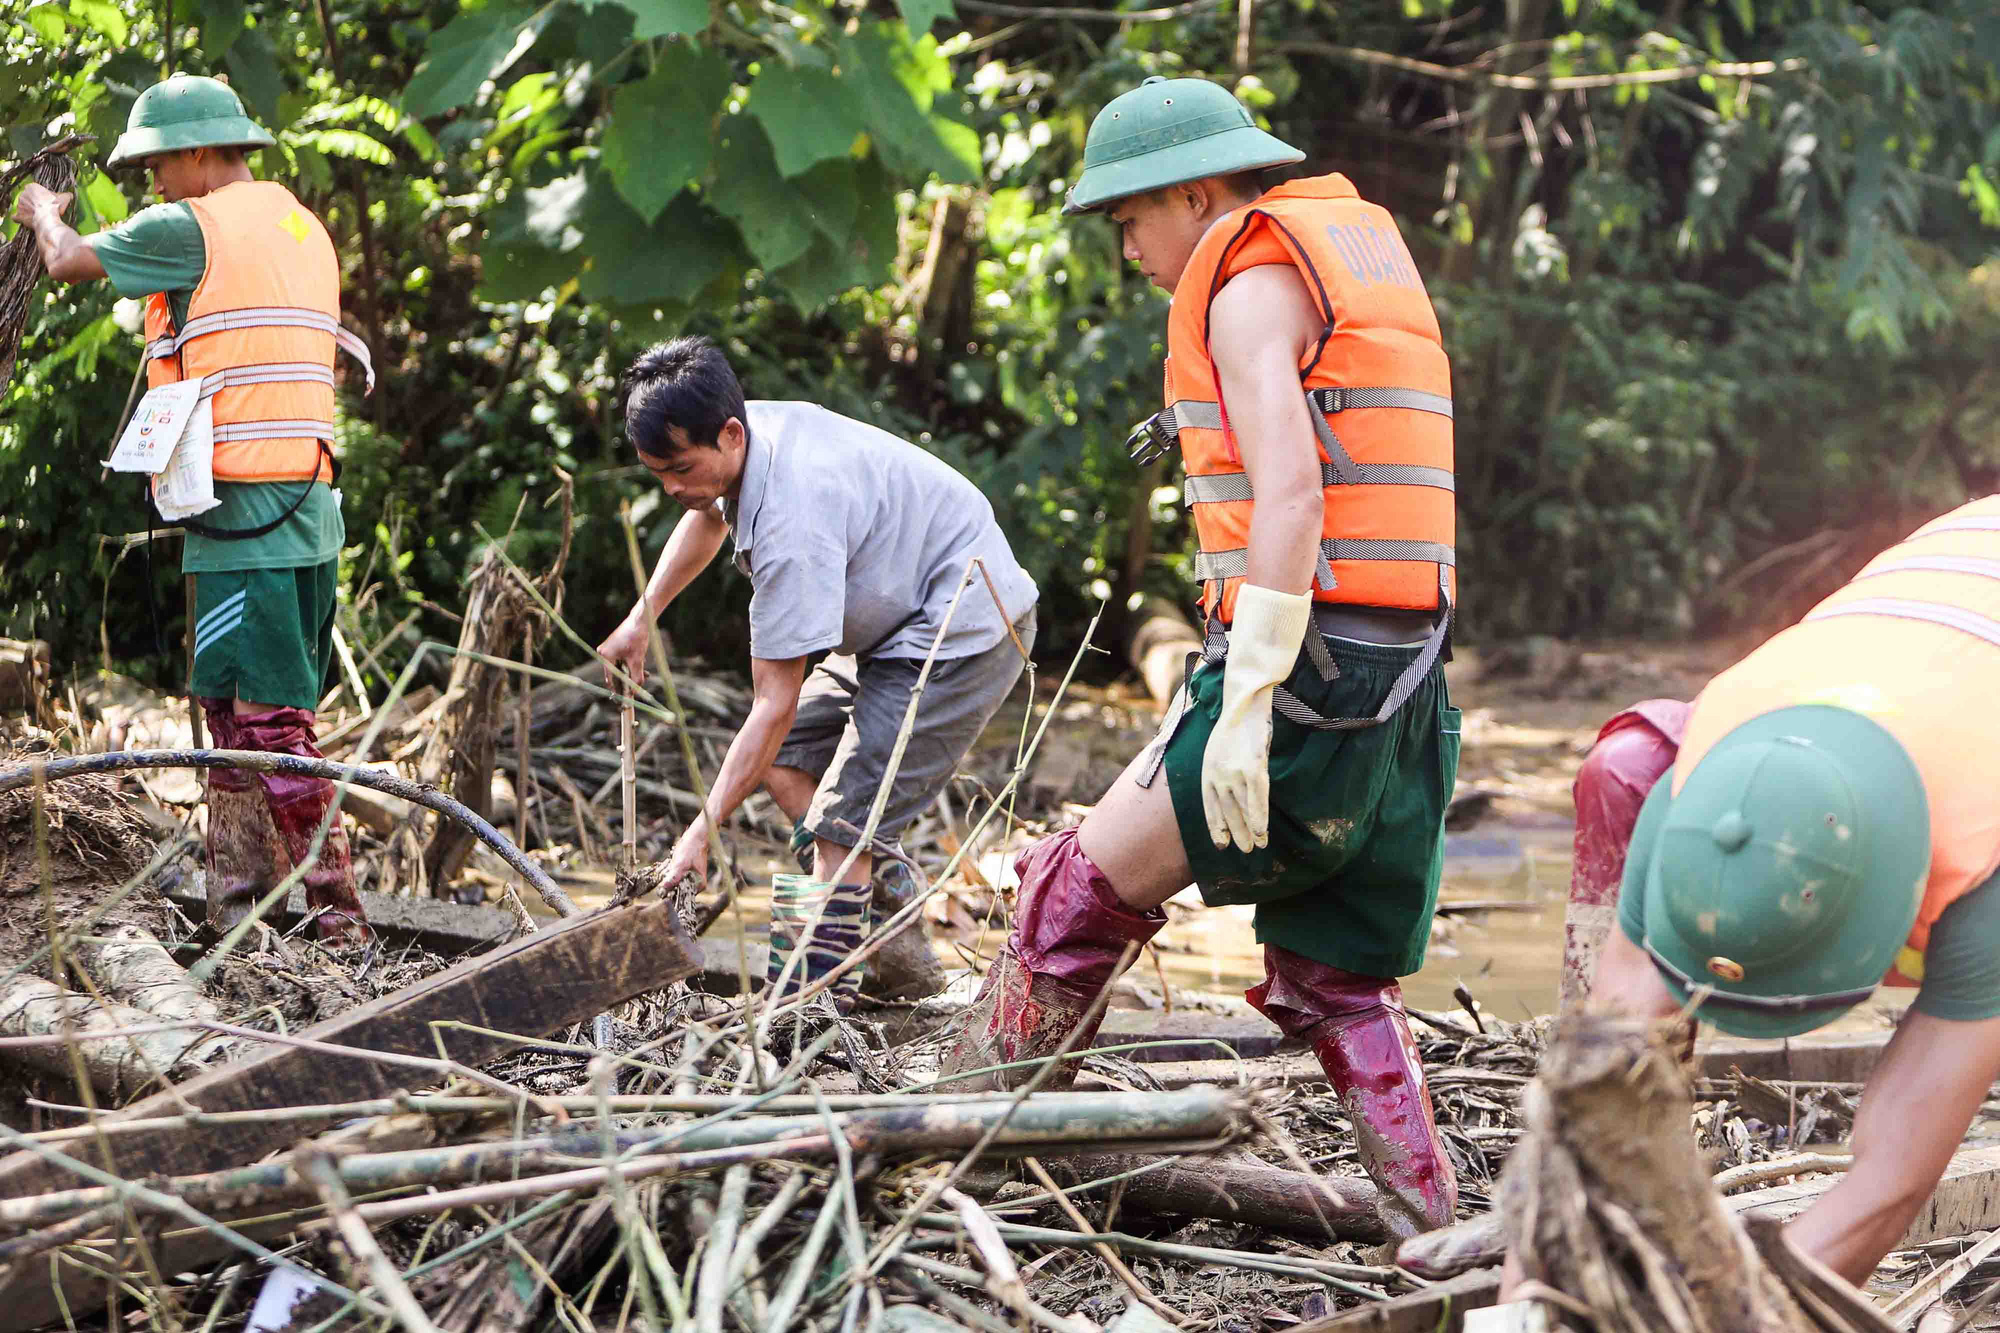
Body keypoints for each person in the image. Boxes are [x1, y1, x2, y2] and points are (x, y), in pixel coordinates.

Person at [936, 77, 1462, 1239]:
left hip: (1305, 670)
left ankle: (951, 1150)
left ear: (1192, 192)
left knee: (1064, 896)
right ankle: (1433, 1229)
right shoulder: (1348, 258)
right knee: (1333, 976)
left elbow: (1290, 494)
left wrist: (1245, 701)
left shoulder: (1243, 283)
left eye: (1129, 219)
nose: (1126, 247)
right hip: (1406, 674)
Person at [1511, 494, 2000, 1289]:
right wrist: (1528, 1294)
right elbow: (1587, 1101)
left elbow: (1890, 1181)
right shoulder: (1704, 786)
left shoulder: (1984, 856)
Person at [11, 74, 374, 945]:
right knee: (230, 707)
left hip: (249, 517)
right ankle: (237, 908)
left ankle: (340, 923)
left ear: (203, 152)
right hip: (304, 505)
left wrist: (39, 211)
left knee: (268, 722)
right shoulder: (301, 223)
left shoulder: (192, 226)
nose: (152, 182)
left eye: (160, 163)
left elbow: (66, 259)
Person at [597, 335, 1038, 1000]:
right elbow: (709, 515)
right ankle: (887, 909)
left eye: (679, 468)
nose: (671, 487)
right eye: (658, 472)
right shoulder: (743, 443)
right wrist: (642, 615)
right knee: (789, 762)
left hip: (965, 625)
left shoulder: (789, 526)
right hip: (896, 621)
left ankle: (802, 1009)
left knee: (837, 825)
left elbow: (771, 704)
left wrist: (701, 831)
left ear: (730, 433)